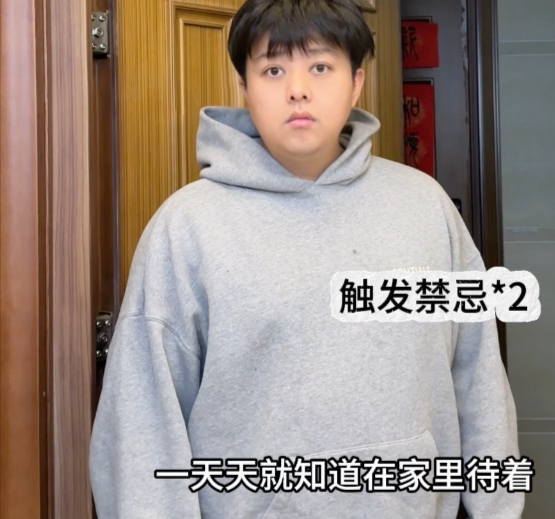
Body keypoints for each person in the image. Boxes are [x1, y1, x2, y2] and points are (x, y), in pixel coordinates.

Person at [89, 0, 524, 517]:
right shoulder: (186, 229)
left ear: (356, 82)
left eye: (320, 66)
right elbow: (142, 423)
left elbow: (477, 378)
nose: (297, 89)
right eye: (273, 70)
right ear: (243, 86)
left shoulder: (424, 208)